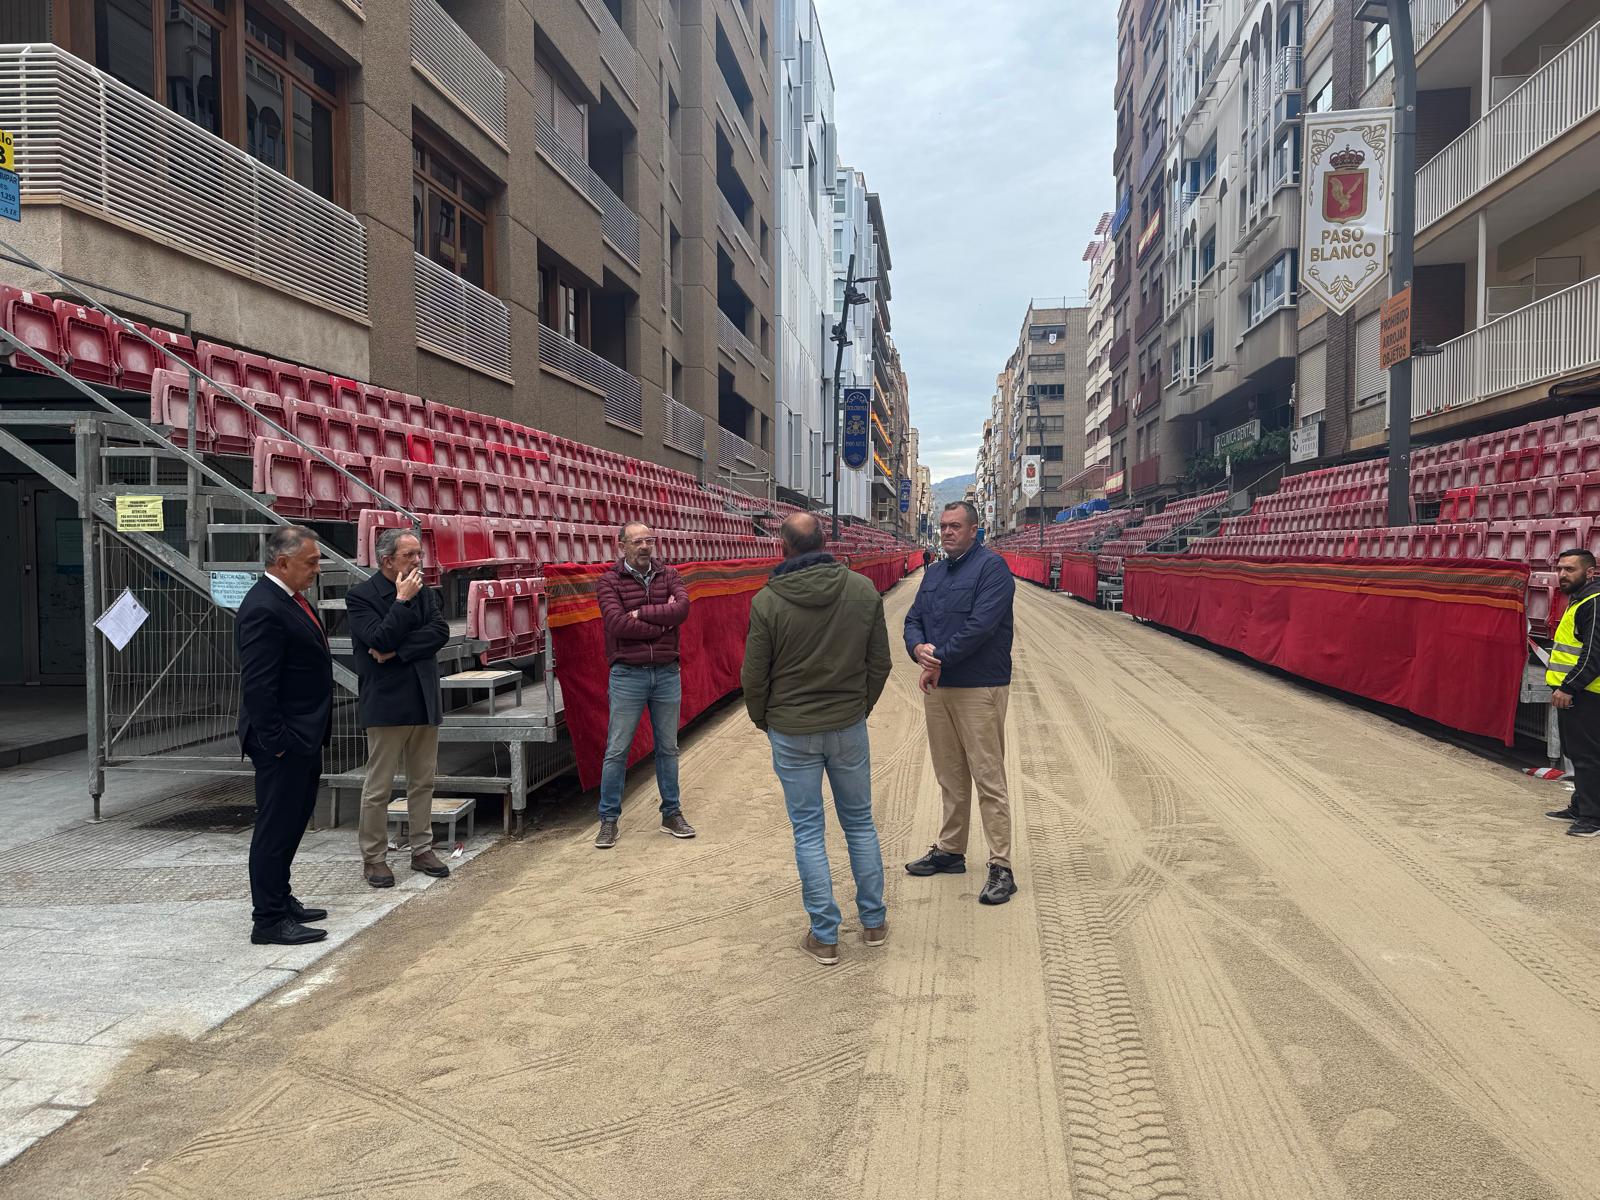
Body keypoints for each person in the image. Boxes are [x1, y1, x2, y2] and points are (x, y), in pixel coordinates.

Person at [742, 512, 891, 965]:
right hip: (846, 725)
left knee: (808, 831)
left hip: (792, 729)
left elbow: (754, 675)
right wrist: (859, 707)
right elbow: (879, 663)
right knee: (859, 823)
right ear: (825, 543)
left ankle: (825, 935)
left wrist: (765, 720)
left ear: (783, 548)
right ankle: (873, 922)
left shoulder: (768, 601)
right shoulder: (862, 590)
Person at [903, 500, 1019, 905]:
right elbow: (913, 619)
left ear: (974, 530)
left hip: (979, 686)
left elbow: (980, 626)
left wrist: (937, 659)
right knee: (949, 774)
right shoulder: (934, 572)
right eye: (944, 526)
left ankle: (1001, 865)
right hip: (941, 687)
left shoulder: (992, 570)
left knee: (988, 776)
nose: (947, 532)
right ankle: (951, 850)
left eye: (955, 526)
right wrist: (917, 648)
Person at [235, 525, 334, 946]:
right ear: (282, 562)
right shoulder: (264, 606)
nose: (317, 569)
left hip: (303, 735)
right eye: (310, 562)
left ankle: (281, 897)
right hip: (283, 741)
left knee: (292, 824)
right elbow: (258, 687)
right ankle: (268, 919)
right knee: (275, 830)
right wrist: (278, 743)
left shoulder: (289, 598)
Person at [346, 528, 453, 886]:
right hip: (387, 703)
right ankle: (374, 857)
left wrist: (396, 652)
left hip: (423, 697)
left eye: (419, 554)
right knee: (379, 786)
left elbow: (439, 633)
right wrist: (402, 602)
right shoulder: (361, 596)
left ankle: (422, 848)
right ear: (387, 560)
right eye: (410, 555)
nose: (418, 561)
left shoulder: (426, 592)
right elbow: (378, 637)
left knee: (423, 781)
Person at [593, 521, 696, 849]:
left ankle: (671, 813)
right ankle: (608, 819)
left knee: (668, 748)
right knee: (617, 750)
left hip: (666, 673)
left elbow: (682, 609)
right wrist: (661, 626)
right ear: (621, 546)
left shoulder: (670, 575)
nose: (644, 546)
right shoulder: (608, 581)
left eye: (648, 540)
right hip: (628, 675)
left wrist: (641, 614)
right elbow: (616, 623)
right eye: (637, 541)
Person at [1546, 547, 1600, 837]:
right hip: (1578, 692)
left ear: (1590, 572)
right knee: (1577, 753)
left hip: (1587, 694)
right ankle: (1581, 806)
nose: (1562, 574)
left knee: (1588, 756)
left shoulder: (1594, 602)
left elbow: (1594, 654)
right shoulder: (1580, 599)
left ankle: (1593, 818)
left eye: (1570, 569)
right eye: (1560, 569)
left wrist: (1569, 687)